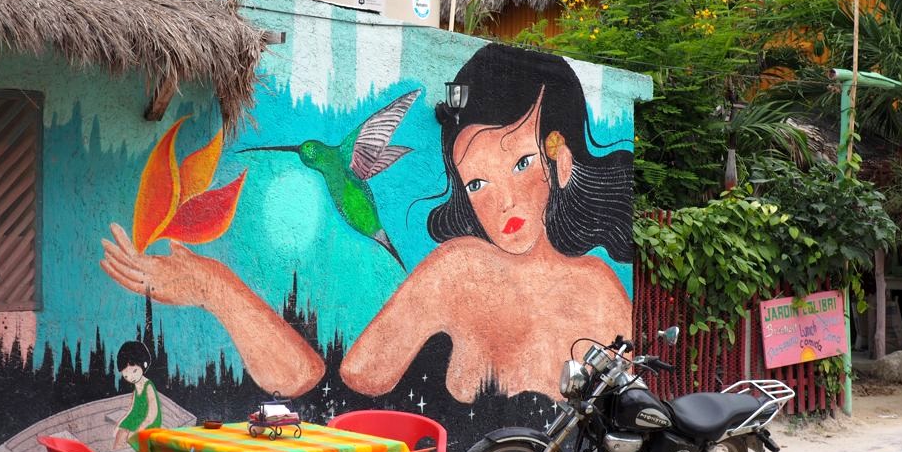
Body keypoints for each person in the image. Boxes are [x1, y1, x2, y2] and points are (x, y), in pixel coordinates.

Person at [101, 43, 632, 402]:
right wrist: (215, 287)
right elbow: (328, 379)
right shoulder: (460, 270)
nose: (503, 201)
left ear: (561, 162)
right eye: (476, 183)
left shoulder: (603, 293)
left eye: (521, 163)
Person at [112, 340, 162, 449]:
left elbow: (152, 414)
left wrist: (139, 430)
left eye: (134, 371)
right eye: (126, 376)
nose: (131, 377)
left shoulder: (148, 386)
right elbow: (132, 410)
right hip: (138, 418)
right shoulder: (136, 389)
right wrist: (120, 424)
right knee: (120, 433)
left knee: (130, 437)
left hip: (150, 422)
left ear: (144, 364)